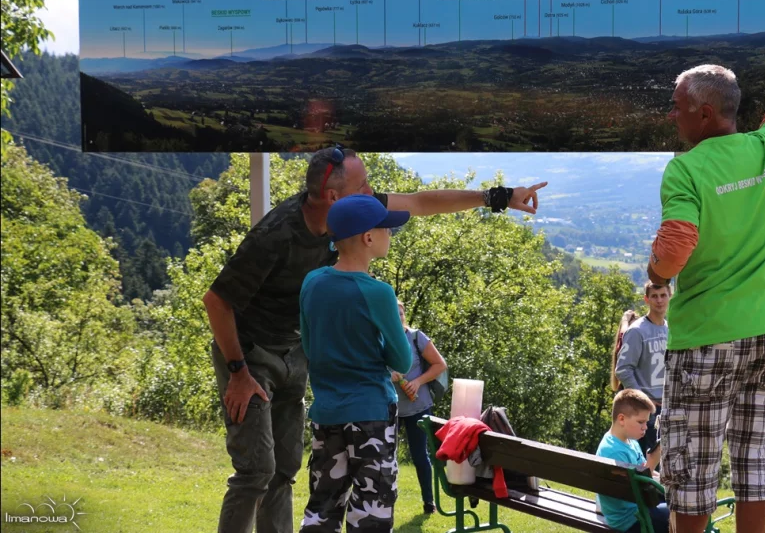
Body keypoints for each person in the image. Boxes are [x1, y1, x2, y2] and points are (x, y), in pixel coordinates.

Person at [203, 144, 548, 533]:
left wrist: (495, 197)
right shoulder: (277, 234)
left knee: (285, 470)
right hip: (248, 355)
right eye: (363, 184)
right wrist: (237, 370)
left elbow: (420, 202)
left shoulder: (353, 212)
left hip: (295, 355)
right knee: (256, 471)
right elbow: (216, 301)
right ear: (334, 197)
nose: (372, 191)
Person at [647, 28, 765, 533]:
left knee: (694, 473)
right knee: (758, 468)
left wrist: (655, 273)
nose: (672, 115)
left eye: (677, 107)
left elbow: (676, 248)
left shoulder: (686, 169)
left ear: (703, 112)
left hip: (705, 341)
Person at [298, 194, 413, 532]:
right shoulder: (379, 293)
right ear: (368, 237)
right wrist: (397, 324)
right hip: (371, 416)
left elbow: (309, 344)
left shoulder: (311, 282)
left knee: (321, 510)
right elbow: (402, 361)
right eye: (387, 229)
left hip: (327, 413)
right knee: (371, 515)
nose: (390, 235)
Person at [390, 299, 447, 515]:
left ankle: (429, 503)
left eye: (401, 314)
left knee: (420, 455)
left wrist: (417, 382)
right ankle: (387, 504)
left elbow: (440, 364)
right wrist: (389, 376)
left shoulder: (415, 337)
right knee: (387, 457)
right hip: (388, 406)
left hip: (418, 406)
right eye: (394, 314)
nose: (399, 317)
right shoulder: (378, 339)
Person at [596, 389, 670, 533]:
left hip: (636, 510)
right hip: (629, 519)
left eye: (646, 422)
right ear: (622, 419)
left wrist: (665, 479)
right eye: (640, 422)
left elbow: (642, 473)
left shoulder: (630, 442)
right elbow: (641, 490)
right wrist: (652, 462)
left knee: (682, 507)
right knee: (682, 514)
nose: (645, 427)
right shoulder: (614, 451)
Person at [614, 282, 671, 455]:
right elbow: (623, 369)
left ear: (670, 297)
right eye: (654, 296)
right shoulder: (637, 331)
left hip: (665, 407)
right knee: (645, 463)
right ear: (646, 299)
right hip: (644, 410)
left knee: (662, 461)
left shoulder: (670, 330)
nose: (659, 300)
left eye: (663, 295)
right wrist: (643, 399)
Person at [610, 310, 638, 393]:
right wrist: (625, 321)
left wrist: (625, 321)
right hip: (632, 395)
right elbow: (625, 337)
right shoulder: (625, 343)